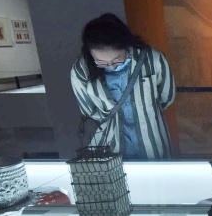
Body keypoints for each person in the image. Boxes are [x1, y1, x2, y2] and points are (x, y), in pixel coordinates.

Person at [71, 13, 175, 159]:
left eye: (117, 60)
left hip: (152, 141)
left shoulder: (152, 59)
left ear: (126, 46)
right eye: (101, 62)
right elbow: (89, 109)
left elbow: (166, 97)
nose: (111, 66)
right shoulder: (81, 69)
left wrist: (145, 112)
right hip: (109, 144)